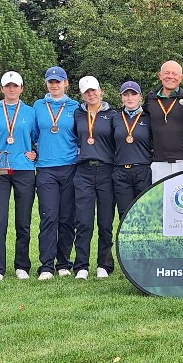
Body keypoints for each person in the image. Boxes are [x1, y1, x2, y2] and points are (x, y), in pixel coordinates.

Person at [0, 71, 38, 282]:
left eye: (15, 86)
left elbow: (36, 139)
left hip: (24, 168)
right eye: (8, 86)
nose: (12, 89)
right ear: (2, 89)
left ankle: (22, 265)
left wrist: (35, 153)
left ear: (21, 88)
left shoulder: (31, 112)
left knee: (23, 220)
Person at [33, 66, 80, 280]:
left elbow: (82, 135)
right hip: (45, 168)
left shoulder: (75, 107)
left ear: (66, 83)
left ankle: (63, 263)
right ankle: (46, 265)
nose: (54, 85)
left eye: (58, 81)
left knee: (67, 218)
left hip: (70, 166)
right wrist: (31, 151)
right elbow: (32, 134)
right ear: (46, 84)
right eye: (51, 81)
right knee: (48, 216)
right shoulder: (38, 106)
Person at [73, 76, 118, 279]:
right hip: (83, 171)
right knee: (83, 221)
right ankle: (81, 265)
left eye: (94, 90)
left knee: (106, 221)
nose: (91, 94)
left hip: (107, 170)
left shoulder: (113, 115)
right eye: (87, 91)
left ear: (100, 90)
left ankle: (104, 264)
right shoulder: (77, 114)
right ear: (82, 94)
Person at [146, 61, 183, 182]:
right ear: (160, 76)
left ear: (181, 78)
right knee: (161, 200)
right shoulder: (150, 99)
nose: (170, 76)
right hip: (159, 163)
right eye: (166, 73)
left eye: (174, 74)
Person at [114, 81, 153, 221]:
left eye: (133, 94)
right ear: (121, 97)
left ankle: (144, 243)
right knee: (125, 216)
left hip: (142, 170)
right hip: (121, 172)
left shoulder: (148, 118)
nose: (130, 98)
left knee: (143, 213)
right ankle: (126, 243)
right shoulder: (115, 118)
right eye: (126, 94)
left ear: (140, 97)